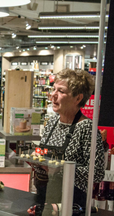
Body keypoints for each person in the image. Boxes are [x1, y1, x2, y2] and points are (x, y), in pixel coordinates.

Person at [34, 68, 105, 206]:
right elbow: (44, 158)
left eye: (60, 91)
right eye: (53, 89)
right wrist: (37, 162)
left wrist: (62, 169)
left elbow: (96, 173)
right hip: (44, 195)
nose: (53, 95)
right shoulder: (53, 122)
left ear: (78, 98)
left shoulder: (86, 128)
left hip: (70, 204)